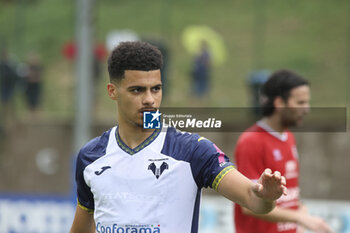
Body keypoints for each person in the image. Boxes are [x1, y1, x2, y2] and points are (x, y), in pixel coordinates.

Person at [69, 41, 287, 233]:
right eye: (137, 90)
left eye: (156, 89)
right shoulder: (91, 156)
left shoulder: (192, 150)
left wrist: (265, 197)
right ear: (112, 91)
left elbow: (251, 198)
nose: (149, 100)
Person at [234, 69, 334, 233]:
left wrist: (301, 211)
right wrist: (299, 218)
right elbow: (248, 204)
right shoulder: (251, 141)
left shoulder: (288, 137)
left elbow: (290, 194)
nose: (306, 109)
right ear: (280, 103)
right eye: (300, 103)